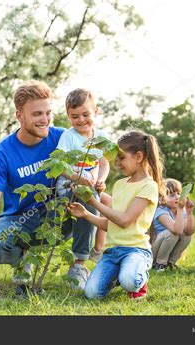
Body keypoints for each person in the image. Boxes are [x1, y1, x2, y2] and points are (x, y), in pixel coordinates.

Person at [0, 80, 94, 290]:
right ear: (19, 115)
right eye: (37, 114)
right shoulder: (2, 153)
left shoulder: (62, 138)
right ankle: (24, 259)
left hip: (58, 216)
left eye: (48, 113)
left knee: (85, 192)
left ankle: (79, 266)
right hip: (19, 219)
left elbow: (89, 167)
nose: (45, 120)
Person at [68, 130, 164, 300]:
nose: (117, 163)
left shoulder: (149, 186)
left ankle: (137, 281)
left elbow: (125, 221)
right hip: (112, 252)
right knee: (92, 294)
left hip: (136, 251)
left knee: (130, 281)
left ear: (139, 156)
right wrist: (85, 214)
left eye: (121, 157)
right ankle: (119, 275)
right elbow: (111, 223)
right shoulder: (120, 184)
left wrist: (93, 203)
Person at [55, 88, 110, 264]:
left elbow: (104, 163)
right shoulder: (68, 136)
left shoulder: (101, 137)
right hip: (67, 182)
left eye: (85, 114)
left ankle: (98, 249)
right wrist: (77, 178)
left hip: (90, 181)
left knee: (109, 203)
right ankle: (80, 259)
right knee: (88, 196)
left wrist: (101, 180)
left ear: (96, 112)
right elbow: (60, 165)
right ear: (68, 116)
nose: (81, 120)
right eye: (75, 116)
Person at [151, 178, 195, 272]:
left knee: (187, 236)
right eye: (172, 195)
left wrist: (189, 212)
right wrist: (180, 209)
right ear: (161, 198)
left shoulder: (180, 210)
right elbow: (177, 230)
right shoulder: (160, 211)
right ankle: (159, 263)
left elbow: (190, 231)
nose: (177, 197)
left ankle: (171, 263)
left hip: (166, 247)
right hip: (154, 251)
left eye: (179, 193)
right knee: (172, 233)